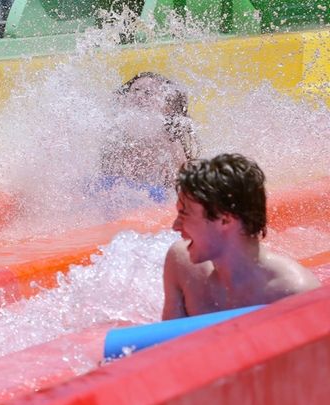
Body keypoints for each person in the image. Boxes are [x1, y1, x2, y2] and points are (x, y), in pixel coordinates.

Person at [162, 153, 319, 320]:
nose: (175, 226)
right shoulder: (181, 265)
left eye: (184, 214)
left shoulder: (293, 292)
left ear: (225, 220)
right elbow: (165, 343)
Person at [99, 72, 200, 200]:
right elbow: (108, 178)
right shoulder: (116, 138)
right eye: (135, 90)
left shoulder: (169, 142)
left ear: (167, 107)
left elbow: (183, 189)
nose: (139, 96)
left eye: (148, 93)